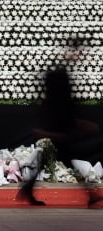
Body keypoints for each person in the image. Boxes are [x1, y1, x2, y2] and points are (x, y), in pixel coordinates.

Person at [18, 39, 103, 207]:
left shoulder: (61, 73)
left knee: (61, 158)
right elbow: (59, 105)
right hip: (59, 126)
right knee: (68, 158)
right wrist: (72, 125)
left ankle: (28, 190)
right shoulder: (60, 74)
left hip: (60, 125)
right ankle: (90, 195)